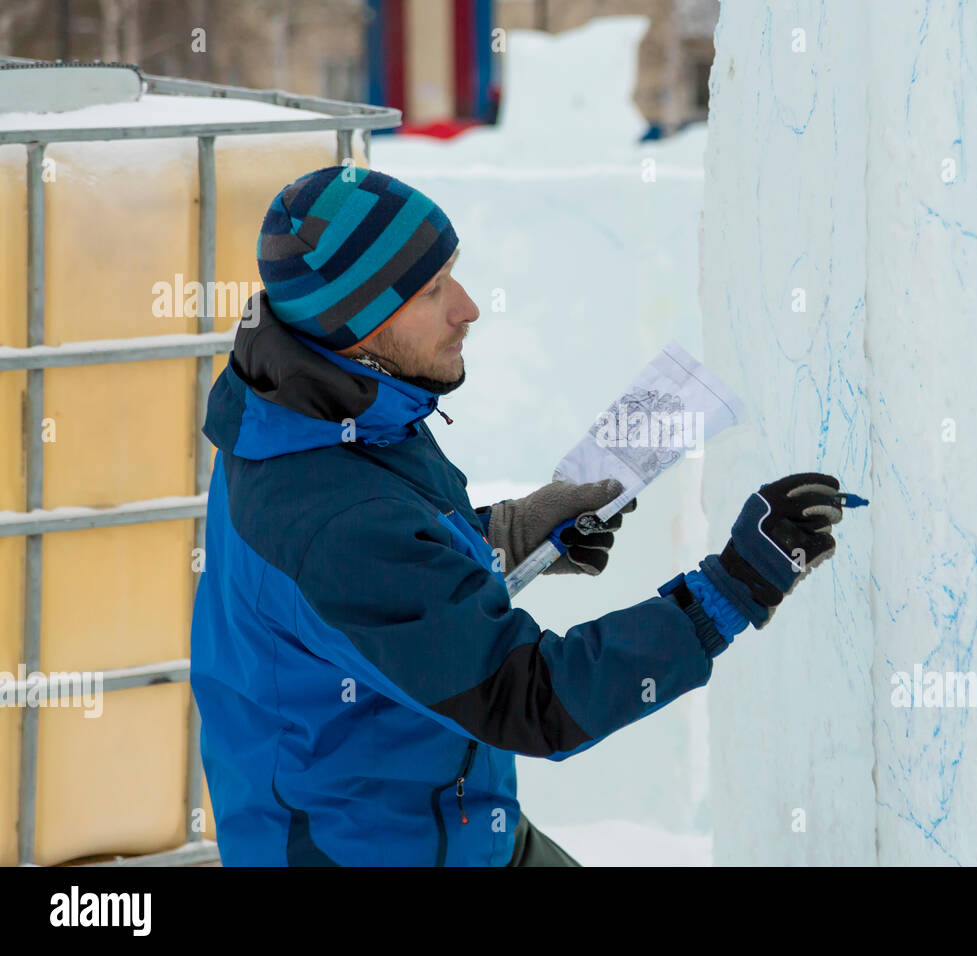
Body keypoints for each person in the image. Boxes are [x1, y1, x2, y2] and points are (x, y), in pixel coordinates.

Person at [189, 165, 844, 866]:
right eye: (431, 291)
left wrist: (510, 535)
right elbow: (527, 699)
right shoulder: (331, 514)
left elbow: (376, 593)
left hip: (453, 822)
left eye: (453, 274)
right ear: (356, 328)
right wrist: (732, 588)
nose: (467, 307)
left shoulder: (321, 409)